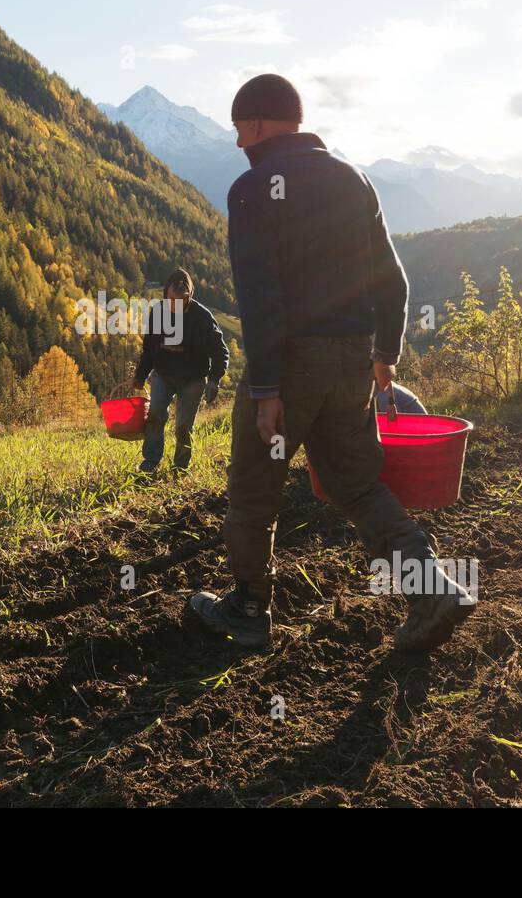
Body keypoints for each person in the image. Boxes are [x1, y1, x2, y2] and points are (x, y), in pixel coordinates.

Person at [190, 74, 475, 652]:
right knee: (357, 485)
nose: (238, 140)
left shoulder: (250, 190)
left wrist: (267, 387)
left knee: (253, 485)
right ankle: (433, 588)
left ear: (261, 124)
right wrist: (385, 354)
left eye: (240, 127)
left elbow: (262, 298)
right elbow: (392, 279)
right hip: (350, 362)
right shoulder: (353, 178)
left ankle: (248, 610)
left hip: (291, 363)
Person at [132, 268, 228, 473]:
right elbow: (149, 348)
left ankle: (180, 466)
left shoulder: (202, 317)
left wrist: (214, 380)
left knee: (183, 427)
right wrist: (140, 375)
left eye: (180, 300)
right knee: (156, 414)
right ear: (165, 295)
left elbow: (220, 351)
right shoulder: (158, 311)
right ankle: (151, 461)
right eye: (171, 299)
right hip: (163, 375)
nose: (174, 305)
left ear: (189, 297)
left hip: (192, 379)